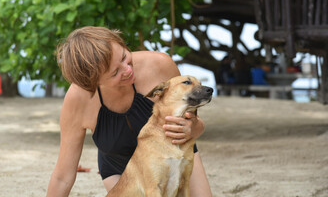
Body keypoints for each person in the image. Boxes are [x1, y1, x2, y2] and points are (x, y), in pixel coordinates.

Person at [47, 26, 213, 196]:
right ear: (93, 82)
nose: (127, 70)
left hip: (176, 154)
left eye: (125, 56)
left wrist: (194, 128)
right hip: (122, 170)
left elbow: (194, 122)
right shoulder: (78, 100)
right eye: (115, 73)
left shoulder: (160, 65)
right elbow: (63, 177)